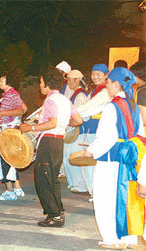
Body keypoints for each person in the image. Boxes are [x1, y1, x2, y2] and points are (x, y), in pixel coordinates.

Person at [81, 67, 143, 249]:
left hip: (111, 158)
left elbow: (105, 138)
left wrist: (91, 151)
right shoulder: (134, 106)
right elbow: (139, 133)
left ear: (117, 84)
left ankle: (112, 239)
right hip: (129, 158)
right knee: (126, 196)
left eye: (108, 82)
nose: (106, 85)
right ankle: (128, 238)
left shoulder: (112, 106)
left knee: (105, 198)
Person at [19, 67, 82, 227]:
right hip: (58, 142)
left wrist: (30, 128)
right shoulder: (65, 100)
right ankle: (57, 212)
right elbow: (78, 120)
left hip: (48, 142)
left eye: (41, 82)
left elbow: (52, 122)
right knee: (52, 179)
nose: (40, 85)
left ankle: (54, 215)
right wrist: (62, 124)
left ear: (48, 83)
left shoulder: (50, 100)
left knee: (43, 179)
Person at [75, 64, 111, 202]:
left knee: (92, 163)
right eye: (93, 74)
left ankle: (97, 193)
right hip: (89, 128)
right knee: (87, 163)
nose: (95, 77)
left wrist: (71, 113)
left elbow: (88, 108)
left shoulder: (105, 91)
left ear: (106, 75)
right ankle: (93, 192)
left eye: (99, 74)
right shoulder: (95, 90)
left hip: (96, 130)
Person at [0, 75, 26, 201]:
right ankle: (17, 188)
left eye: (1, 80)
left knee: (5, 161)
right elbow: (24, 108)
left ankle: (10, 191)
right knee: (11, 160)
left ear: (8, 82)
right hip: (9, 131)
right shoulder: (11, 95)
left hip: (9, 132)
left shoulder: (12, 95)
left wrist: (2, 113)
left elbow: (20, 111)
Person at [61, 70, 91, 194]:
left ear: (76, 80)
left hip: (77, 132)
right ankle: (74, 183)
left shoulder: (80, 95)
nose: (68, 82)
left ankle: (80, 185)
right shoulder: (74, 94)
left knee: (73, 158)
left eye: (69, 80)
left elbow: (82, 116)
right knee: (67, 157)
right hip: (71, 129)